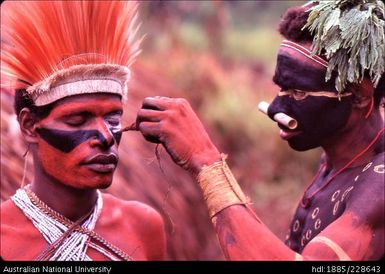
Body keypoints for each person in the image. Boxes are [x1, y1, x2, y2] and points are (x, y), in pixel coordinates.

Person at [136, 0, 384, 260]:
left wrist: (207, 162)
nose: (277, 106)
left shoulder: (379, 184)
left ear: (358, 96)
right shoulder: (337, 158)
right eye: (281, 88)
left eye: (298, 92)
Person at [0, 1, 166, 261]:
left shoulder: (143, 227)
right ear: (30, 126)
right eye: (78, 120)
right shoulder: (4, 239)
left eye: (113, 117)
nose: (106, 136)